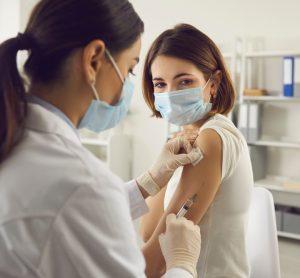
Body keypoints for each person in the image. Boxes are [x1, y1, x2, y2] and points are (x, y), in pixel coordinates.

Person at [0, 1, 203, 278]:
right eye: (130, 69)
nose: (127, 85)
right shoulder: (83, 183)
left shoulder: (14, 136)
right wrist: (182, 263)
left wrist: (149, 181)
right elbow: (80, 201)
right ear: (94, 60)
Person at [139, 23, 254, 277]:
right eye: (160, 84)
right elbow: (148, 231)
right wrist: (161, 173)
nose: (170, 94)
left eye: (184, 81)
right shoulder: (184, 139)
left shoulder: (212, 138)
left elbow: (154, 264)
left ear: (213, 83)